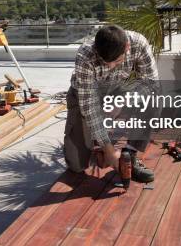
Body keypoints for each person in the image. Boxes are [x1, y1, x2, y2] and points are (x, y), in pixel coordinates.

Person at [64, 25, 158, 182]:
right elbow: (90, 108)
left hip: (118, 90)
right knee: (77, 165)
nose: (110, 66)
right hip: (85, 95)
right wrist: (108, 150)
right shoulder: (85, 54)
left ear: (127, 47)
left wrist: (123, 101)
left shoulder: (139, 44)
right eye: (105, 62)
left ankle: (130, 156)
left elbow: (152, 84)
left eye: (117, 61)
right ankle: (98, 150)